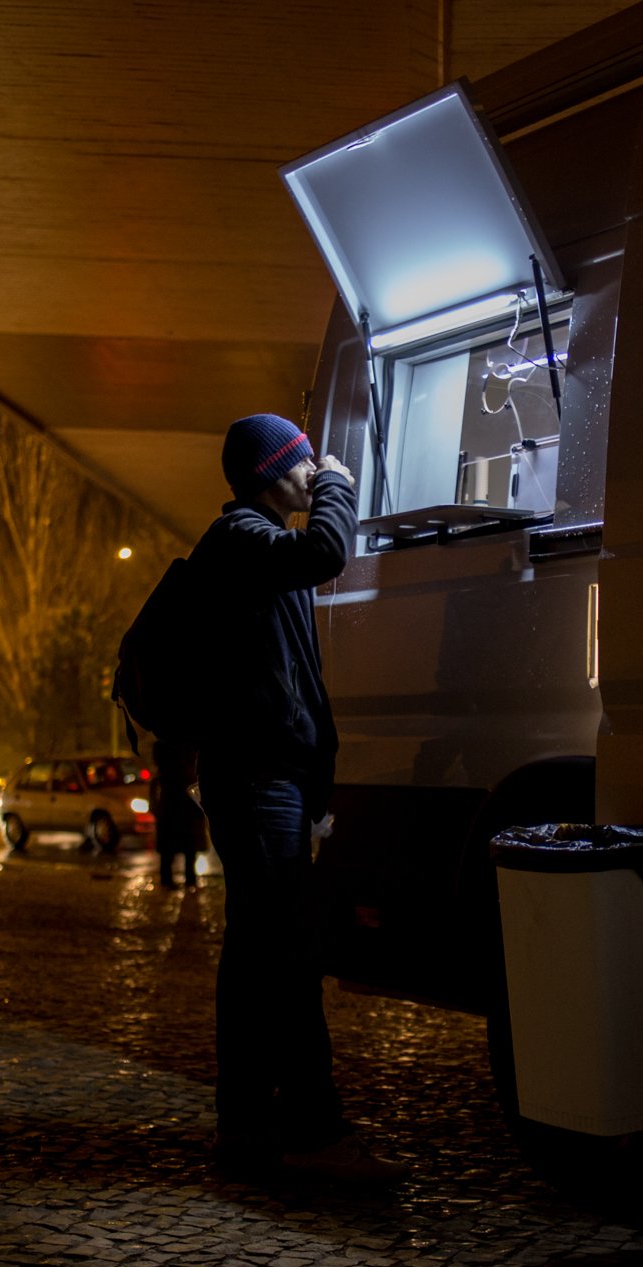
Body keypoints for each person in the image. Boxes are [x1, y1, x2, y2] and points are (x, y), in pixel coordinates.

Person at [188, 412, 406, 1185]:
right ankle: (312, 1130)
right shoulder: (241, 541)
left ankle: (247, 1126)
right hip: (257, 781)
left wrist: (318, 779)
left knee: (256, 959)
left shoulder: (253, 550)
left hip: (268, 778)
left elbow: (297, 684)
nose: (315, 468)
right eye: (305, 461)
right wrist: (340, 487)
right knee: (285, 956)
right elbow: (327, 549)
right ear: (271, 470)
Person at [150, 738, 202, 889]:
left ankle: (181, 879)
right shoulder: (183, 750)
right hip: (175, 806)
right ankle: (183, 879)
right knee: (179, 848)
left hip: (174, 807)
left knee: (179, 849)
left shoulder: (170, 749)